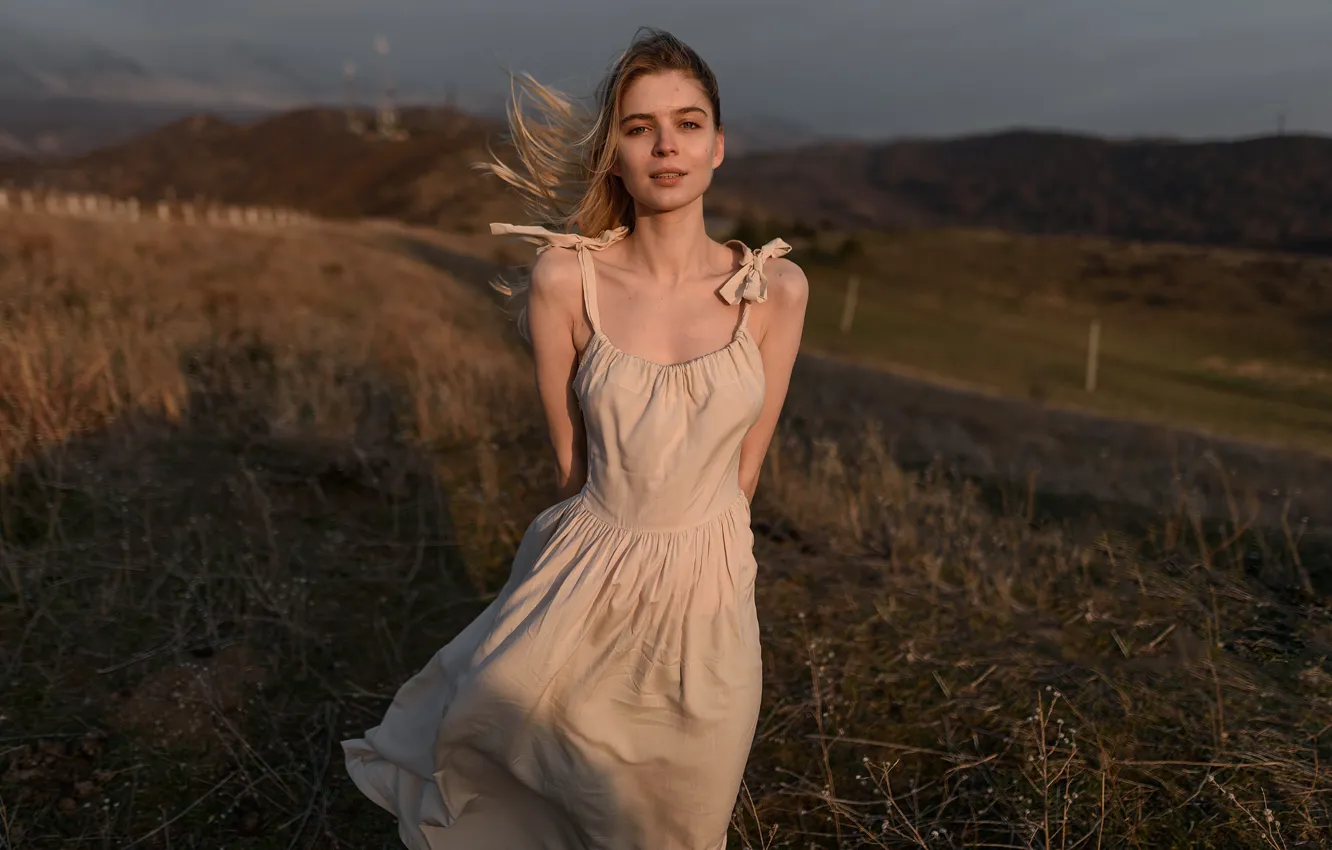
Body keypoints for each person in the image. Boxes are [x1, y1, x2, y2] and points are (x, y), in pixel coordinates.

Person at [342, 26, 808, 850]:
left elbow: (746, 474)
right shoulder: (566, 281)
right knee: (518, 763)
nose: (666, 144)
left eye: (688, 123)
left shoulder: (775, 289)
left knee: (678, 823)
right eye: (639, 127)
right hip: (587, 572)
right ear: (615, 155)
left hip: (712, 594)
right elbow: (572, 469)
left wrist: (707, 584)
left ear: (719, 146)